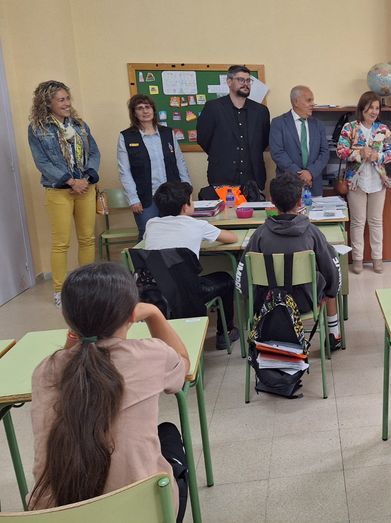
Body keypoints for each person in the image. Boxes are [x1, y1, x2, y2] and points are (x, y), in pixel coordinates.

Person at [29, 263, 190, 521]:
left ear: (68, 319)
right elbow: (183, 365)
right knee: (169, 434)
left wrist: (76, 337)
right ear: (131, 315)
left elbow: (77, 369)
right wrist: (155, 314)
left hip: (54, 516)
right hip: (144, 513)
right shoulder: (152, 355)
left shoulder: (44, 372)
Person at [237, 175, 343, 351]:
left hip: (268, 304)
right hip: (304, 301)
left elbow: (242, 279)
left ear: (272, 201)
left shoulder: (260, 235)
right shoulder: (312, 233)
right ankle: (334, 333)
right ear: (301, 201)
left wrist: (252, 299)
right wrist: (330, 291)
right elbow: (331, 271)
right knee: (326, 280)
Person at [27, 80, 100, 308]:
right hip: (59, 190)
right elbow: (42, 162)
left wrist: (86, 178)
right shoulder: (37, 128)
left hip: (85, 187)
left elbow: (94, 153)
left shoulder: (79, 125)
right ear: (47, 103)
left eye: (68, 98)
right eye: (61, 100)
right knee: (61, 242)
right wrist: (69, 181)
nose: (67, 103)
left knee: (87, 238)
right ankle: (60, 290)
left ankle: (87, 287)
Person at [144, 181, 239, 349]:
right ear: (185, 207)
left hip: (156, 292)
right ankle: (225, 334)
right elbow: (231, 238)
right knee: (226, 278)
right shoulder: (197, 225)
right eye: (192, 200)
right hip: (188, 293)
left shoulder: (151, 224)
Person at [336, 91, 391, 274]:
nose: (373, 111)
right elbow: (340, 151)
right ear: (362, 108)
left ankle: (377, 259)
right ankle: (357, 260)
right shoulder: (350, 127)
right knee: (357, 222)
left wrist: (377, 155)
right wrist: (358, 154)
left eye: (377, 108)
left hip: (378, 181)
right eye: (370, 107)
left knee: (376, 221)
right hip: (356, 182)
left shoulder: (382, 129)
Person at [118, 94, 192, 240]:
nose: (145, 111)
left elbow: (180, 163)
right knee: (148, 236)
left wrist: (187, 189)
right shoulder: (126, 137)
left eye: (148, 107)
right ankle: (145, 264)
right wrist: (133, 199)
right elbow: (124, 171)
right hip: (145, 198)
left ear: (153, 110)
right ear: (134, 113)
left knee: (175, 235)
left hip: (172, 196)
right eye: (140, 108)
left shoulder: (168, 133)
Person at [196, 65, 270, 190]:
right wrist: (223, 154)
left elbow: (263, 141)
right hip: (222, 177)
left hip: (253, 179)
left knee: (255, 210)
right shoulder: (213, 108)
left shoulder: (261, 111)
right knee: (225, 210)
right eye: (241, 80)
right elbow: (203, 139)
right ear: (229, 82)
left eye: (248, 81)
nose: (245, 84)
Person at [270, 85, 329, 196]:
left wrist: (310, 173)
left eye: (313, 100)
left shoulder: (318, 125)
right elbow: (277, 153)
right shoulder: (278, 123)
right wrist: (300, 174)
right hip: (287, 187)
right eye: (308, 100)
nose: (313, 104)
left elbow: (324, 153)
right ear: (296, 102)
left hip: (314, 185)